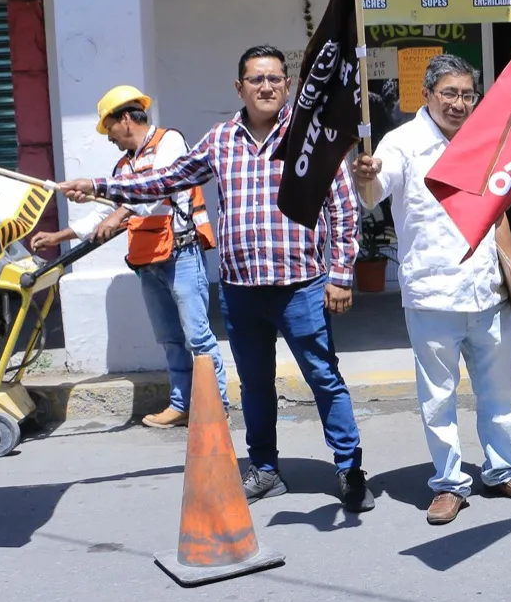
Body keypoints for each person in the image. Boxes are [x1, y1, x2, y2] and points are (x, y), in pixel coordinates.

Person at [60, 46, 375, 511]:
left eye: (274, 79)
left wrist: (341, 275)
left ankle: (349, 470)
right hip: (241, 290)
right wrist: (100, 187)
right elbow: (165, 180)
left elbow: (344, 210)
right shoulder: (220, 140)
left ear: (287, 85)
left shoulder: (314, 138)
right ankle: (265, 469)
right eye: (256, 79)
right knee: (255, 384)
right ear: (240, 87)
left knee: (324, 379)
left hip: (302, 286)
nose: (265, 87)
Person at [352, 54, 511, 525]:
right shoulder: (402, 143)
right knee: (438, 396)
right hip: (433, 292)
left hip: (487, 287)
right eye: (450, 94)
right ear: (428, 96)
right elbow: (371, 192)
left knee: (502, 388)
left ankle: (502, 470)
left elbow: (504, 200)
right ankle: (448, 482)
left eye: (467, 94)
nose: (459, 104)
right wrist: (363, 176)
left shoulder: (487, 140)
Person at [32, 85, 228, 430]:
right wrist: (60, 236)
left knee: (197, 336)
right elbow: (104, 214)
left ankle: (217, 405)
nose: (110, 139)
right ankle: (182, 405)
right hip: (147, 260)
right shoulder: (124, 167)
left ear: (124, 119)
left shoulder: (170, 143)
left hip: (181, 253)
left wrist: (116, 215)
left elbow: (160, 189)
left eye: (108, 129)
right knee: (169, 338)